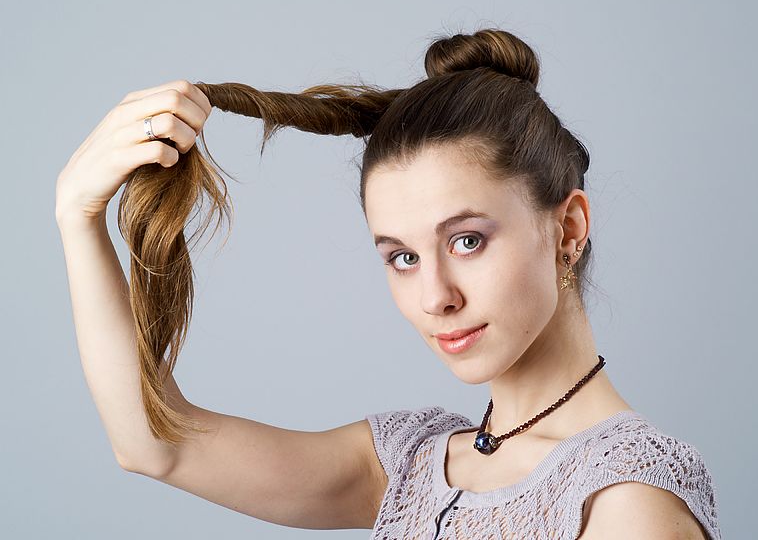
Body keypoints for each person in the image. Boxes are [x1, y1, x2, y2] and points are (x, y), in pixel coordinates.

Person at [55, 28, 721, 539]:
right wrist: (77, 216)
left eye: (467, 241)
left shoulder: (625, 502)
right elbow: (153, 443)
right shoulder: (410, 465)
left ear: (569, 227)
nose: (436, 297)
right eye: (401, 257)